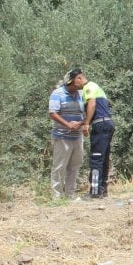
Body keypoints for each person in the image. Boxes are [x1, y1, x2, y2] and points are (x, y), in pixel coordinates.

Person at [48, 68, 87, 200]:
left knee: (75, 166)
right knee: (59, 166)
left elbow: (87, 112)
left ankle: (70, 194)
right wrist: (68, 124)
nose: (82, 80)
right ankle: (56, 196)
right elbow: (52, 113)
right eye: (79, 78)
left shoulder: (81, 94)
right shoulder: (57, 94)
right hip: (62, 137)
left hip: (77, 136)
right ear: (71, 80)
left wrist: (82, 124)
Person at [81, 75, 114, 198]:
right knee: (103, 158)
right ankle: (103, 190)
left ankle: (95, 192)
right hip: (107, 123)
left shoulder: (88, 87)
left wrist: (86, 124)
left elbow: (92, 104)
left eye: (73, 82)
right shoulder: (96, 87)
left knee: (96, 159)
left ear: (79, 78)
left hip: (100, 125)